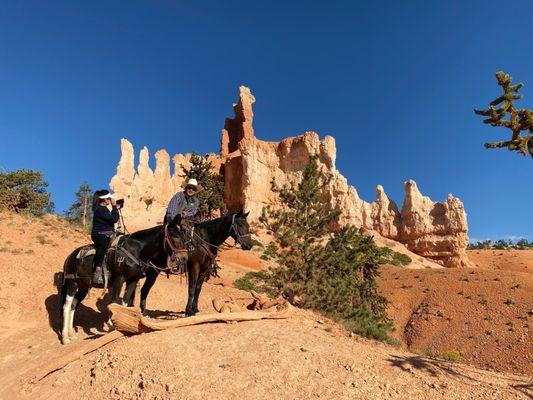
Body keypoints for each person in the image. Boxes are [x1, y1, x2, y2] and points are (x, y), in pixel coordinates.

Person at [91, 189, 120, 284]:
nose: (110, 200)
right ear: (105, 200)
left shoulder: (104, 209)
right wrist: (115, 206)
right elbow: (114, 219)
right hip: (99, 233)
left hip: (106, 232)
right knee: (103, 245)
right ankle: (97, 270)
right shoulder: (100, 209)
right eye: (109, 199)